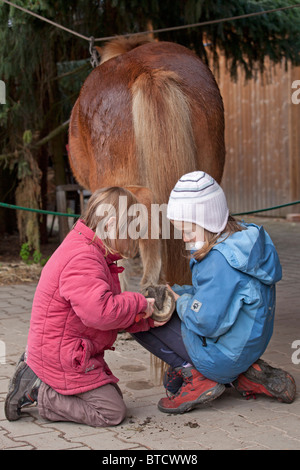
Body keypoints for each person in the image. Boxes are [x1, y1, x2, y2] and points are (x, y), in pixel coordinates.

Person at [133, 171, 296, 414]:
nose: (185, 240)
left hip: (223, 355)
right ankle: (243, 374)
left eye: (188, 231)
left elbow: (205, 321)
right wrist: (178, 291)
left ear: (208, 221)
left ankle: (199, 375)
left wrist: (180, 301)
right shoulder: (241, 240)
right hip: (245, 346)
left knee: (138, 320)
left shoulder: (218, 261)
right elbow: (217, 295)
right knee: (172, 375)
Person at [5, 187, 162, 426]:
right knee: (110, 412)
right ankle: (40, 392)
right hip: (61, 354)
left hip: (68, 348)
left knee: (111, 396)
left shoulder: (89, 247)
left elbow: (104, 309)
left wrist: (144, 317)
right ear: (110, 225)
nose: (132, 241)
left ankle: (39, 373)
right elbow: (101, 312)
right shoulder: (83, 258)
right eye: (129, 233)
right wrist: (139, 302)